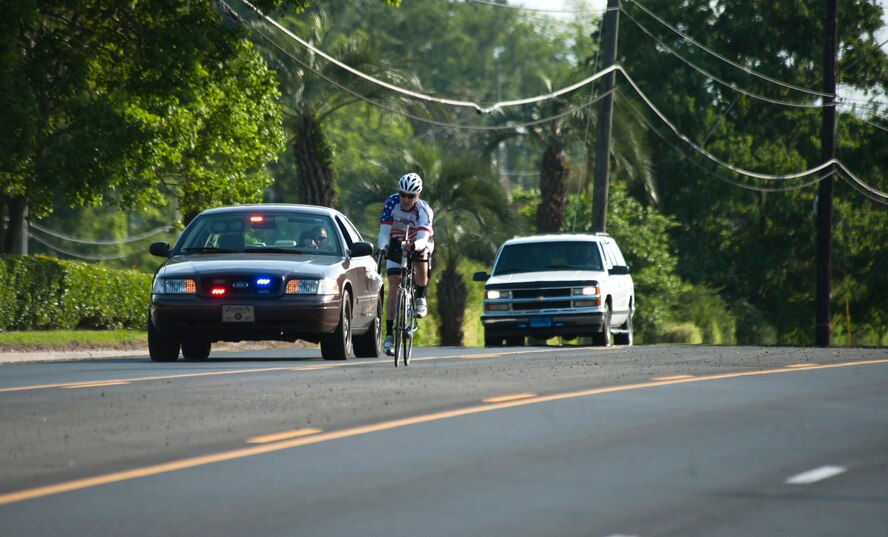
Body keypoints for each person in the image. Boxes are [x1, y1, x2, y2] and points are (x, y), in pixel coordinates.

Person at [377, 172, 434, 355]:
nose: (406, 199)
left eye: (411, 196)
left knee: (421, 258)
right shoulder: (391, 203)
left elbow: (424, 239)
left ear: (417, 196)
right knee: (393, 286)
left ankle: (420, 297)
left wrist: (414, 246)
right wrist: (382, 247)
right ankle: (389, 335)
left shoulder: (424, 210)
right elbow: (384, 232)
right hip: (395, 241)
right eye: (403, 194)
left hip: (417, 241)